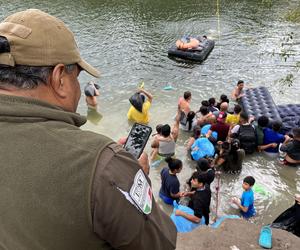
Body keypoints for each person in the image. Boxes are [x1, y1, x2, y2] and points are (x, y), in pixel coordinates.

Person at [0, 9, 176, 250]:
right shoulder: (105, 165)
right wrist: (136, 180)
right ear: (59, 78)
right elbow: (161, 244)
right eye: (77, 76)